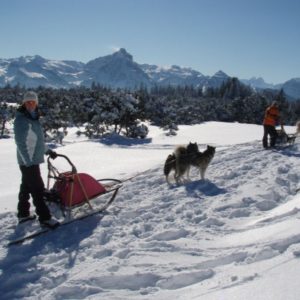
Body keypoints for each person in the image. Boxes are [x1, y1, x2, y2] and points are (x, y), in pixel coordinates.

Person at [14, 91, 60, 228]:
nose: (30, 104)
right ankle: (45, 218)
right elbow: (20, 143)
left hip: (32, 160)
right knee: (38, 189)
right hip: (28, 161)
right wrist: (28, 162)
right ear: (24, 103)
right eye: (28, 102)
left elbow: (38, 141)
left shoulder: (34, 118)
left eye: (33, 102)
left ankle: (23, 214)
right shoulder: (22, 120)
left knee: (26, 186)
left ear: (36, 103)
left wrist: (48, 151)